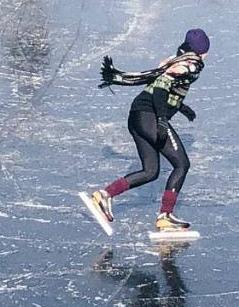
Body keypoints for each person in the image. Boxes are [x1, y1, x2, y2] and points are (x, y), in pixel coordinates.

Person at [89, 29, 210, 231]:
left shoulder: (176, 60)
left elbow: (161, 86)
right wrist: (162, 119)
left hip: (136, 116)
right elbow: (161, 89)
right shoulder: (190, 65)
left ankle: (104, 195)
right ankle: (166, 216)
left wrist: (179, 107)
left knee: (151, 171)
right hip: (149, 116)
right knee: (182, 165)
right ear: (200, 50)